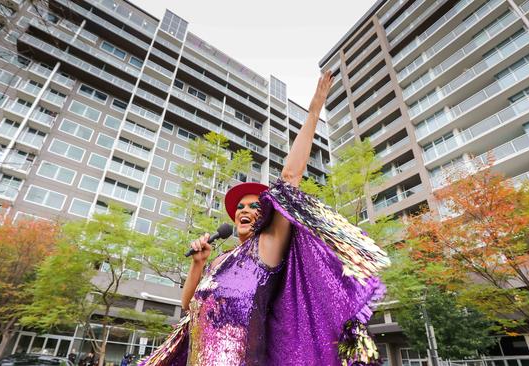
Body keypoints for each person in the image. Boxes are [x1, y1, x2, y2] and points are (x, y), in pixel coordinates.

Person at [139, 72, 389, 365]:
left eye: (254, 205)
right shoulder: (221, 261)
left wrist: (314, 110)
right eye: (240, 207)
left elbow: (290, 177)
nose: (246, 210)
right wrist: (198, 264)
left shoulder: (266, 248)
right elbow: (189, 306)